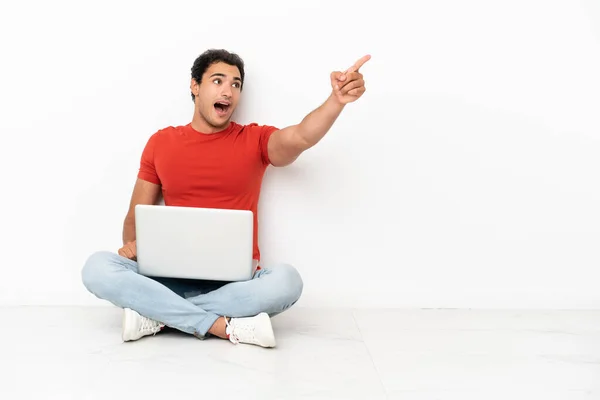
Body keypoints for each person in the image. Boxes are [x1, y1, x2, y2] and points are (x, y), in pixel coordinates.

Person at [81, 49, 370, 348]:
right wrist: (135, 246)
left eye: (235, 84)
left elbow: (300, 137)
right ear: (195, 86)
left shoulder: (254, 139)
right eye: (218, 81)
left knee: (287, 281)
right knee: (97, 267)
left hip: (235, 283)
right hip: (167, 277)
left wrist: (336, 101)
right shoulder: (161, 142)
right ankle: (221, 325)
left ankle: (160, 315)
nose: (228, 91)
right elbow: (135, 218)